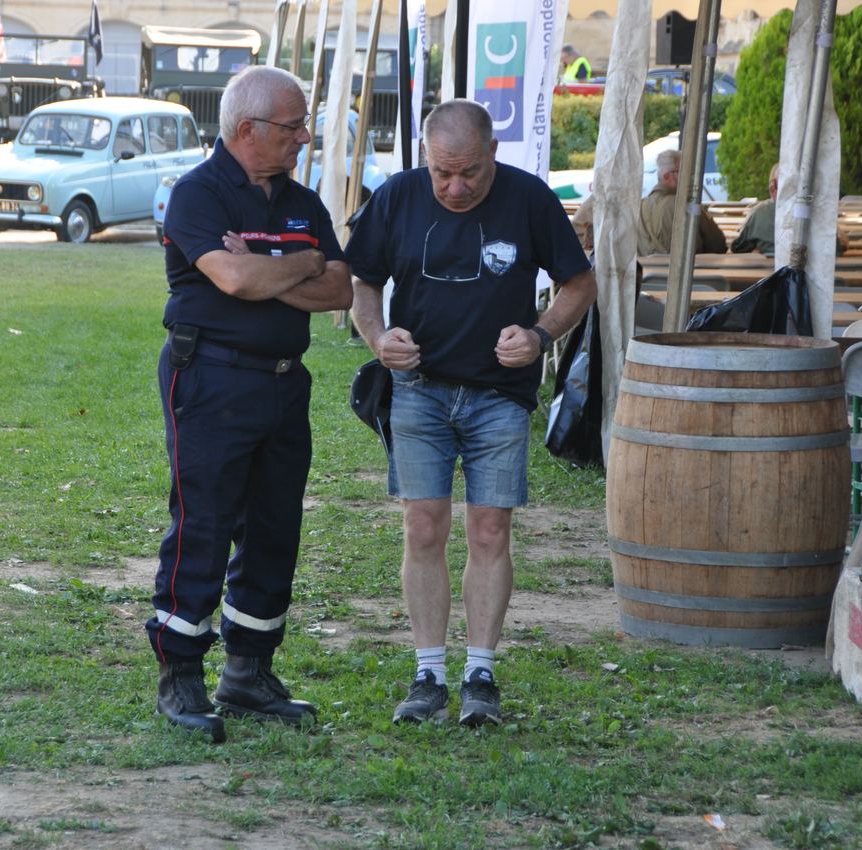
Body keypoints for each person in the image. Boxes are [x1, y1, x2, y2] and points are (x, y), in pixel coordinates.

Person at [346, 100, 597, 726]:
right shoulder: (397, 197)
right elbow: (362, 282)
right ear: (425, 158)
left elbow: (580, 284)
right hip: (419, 390)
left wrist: (539, 335)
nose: (455, 187)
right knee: (422, 528)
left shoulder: (529, 198)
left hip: (499, 395)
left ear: (493, 154)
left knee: (489, 531)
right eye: (442, 173)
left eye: (470, 173)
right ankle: (428, 673)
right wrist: (378, 338)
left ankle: (480, 672)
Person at [147, 65, 352, 744]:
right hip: (211, 377)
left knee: (274, 527)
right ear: (247, 130)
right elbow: (233, 278)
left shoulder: (303, 201)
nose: (304, 137)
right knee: (203, 522)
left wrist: (276, 272)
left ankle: (247, 673)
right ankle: (180, 675)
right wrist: (302, 263)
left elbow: (341, 291)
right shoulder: (197, 194)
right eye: (293, 126)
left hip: (285, 383)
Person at [637, 149, 727, 255]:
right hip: (692, 265)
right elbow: (718, 244)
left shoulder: (639, 207)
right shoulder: (688, 205)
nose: (690, 178)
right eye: (685, 173)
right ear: (667, 176)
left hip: (648, 266)